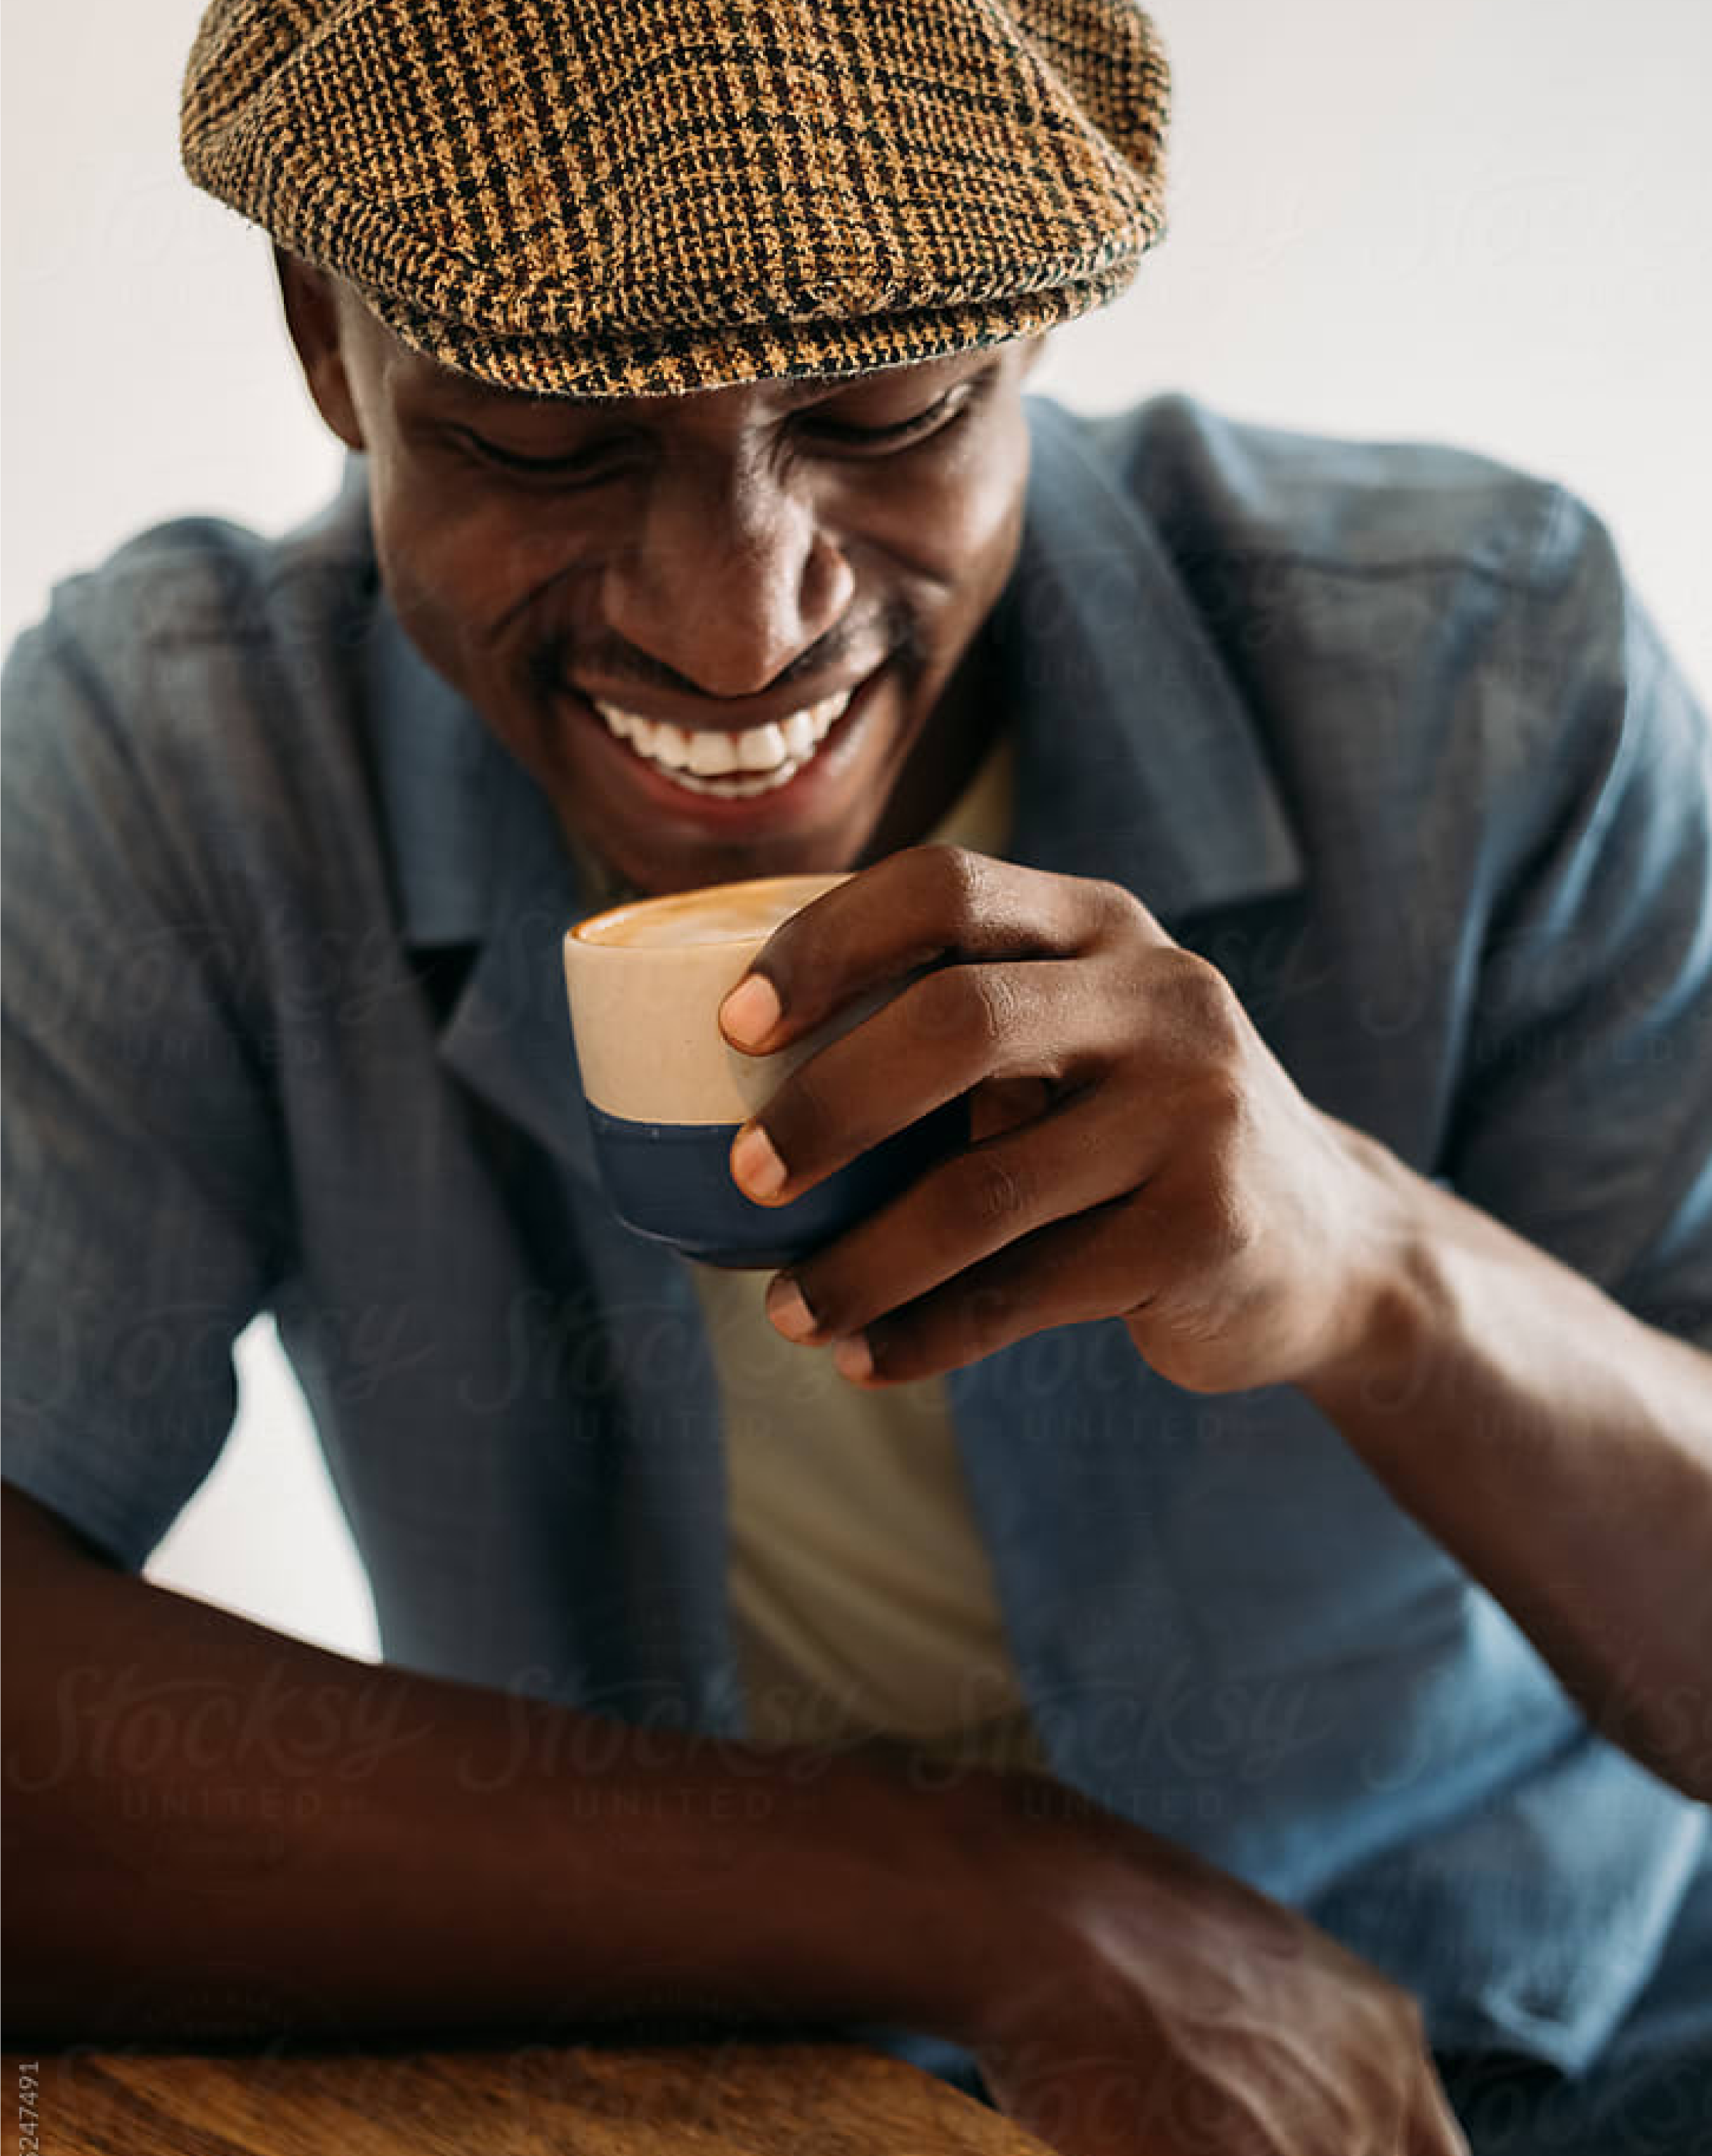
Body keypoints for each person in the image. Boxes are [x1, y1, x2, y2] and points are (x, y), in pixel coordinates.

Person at [1, 1, 1708, 2149]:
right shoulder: (195, 764)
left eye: (889, 407)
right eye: (548, 437)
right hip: (738, 2091)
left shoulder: (1482, 675)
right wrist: (973, 1900)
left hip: (1573, 2066)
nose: (739, 631)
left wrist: (1374, 1267)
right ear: (323, 342)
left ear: (1035, 336)